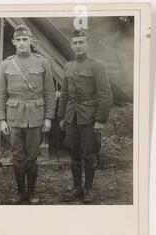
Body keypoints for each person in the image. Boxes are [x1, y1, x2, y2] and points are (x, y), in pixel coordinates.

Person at [0, 24, 56, 205]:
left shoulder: (43, 62)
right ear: (14, 42)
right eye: (18, 40)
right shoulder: (6, 64)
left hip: (36, 117)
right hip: (14, 117)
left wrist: (48, 117)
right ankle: (20, 191)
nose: (22, 43)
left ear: (31, 41)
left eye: (25, 39)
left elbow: (49, 93)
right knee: (17, 157)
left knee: (32, 157)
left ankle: (31, 192)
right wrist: (1, 119)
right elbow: (0, 94)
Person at [58, 29, 112, 203]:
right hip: (71, 117)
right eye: (75, 43)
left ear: (87, 44)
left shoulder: (98, 66)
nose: (79, 46)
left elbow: (105, 95)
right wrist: (61, 117)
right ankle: (76, 188)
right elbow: (64, 94)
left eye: (82, 42)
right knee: (74, 154)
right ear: (71, 45)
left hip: (89, 118)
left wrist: (100, 120)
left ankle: (88, 189)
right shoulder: (68, 66)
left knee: (88, 154)